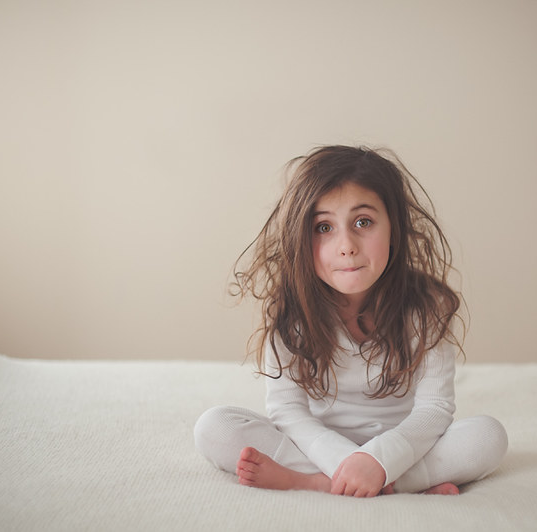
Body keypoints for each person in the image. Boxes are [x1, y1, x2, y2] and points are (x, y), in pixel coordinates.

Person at [194, 145, 507, 496]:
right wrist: (347, 461)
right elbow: (288, 413)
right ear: (301, 237)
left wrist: (379, 461)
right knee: (214, 428)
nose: (346, 245)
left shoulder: (425, 308)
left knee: (488, 436)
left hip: (405, 449)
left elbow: (434, 410)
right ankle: (378, 484)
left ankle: (324, 483)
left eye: (363, 222)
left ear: (395, 228)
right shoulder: (292, 316)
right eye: (324, 227)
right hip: (318, 448)